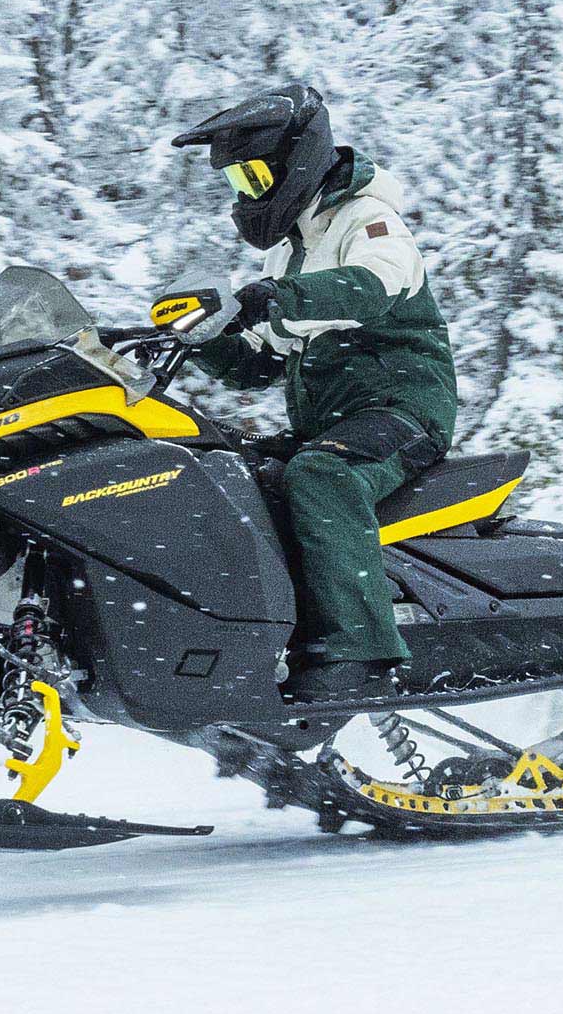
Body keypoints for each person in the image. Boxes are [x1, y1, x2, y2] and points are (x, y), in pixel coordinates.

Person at [165, 79, 458, 703]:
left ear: (292, 166)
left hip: (400, 412)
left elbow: (370, 289)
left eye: (251, 179)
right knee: (226, 473)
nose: (246, 196)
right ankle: (274, 640)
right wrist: (203, 338)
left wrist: (275, 300)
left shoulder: (369, 220)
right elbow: (259, 367)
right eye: (237, 185)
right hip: (330, 421)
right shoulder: (292, 248)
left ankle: (360, 648)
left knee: (321, 477)